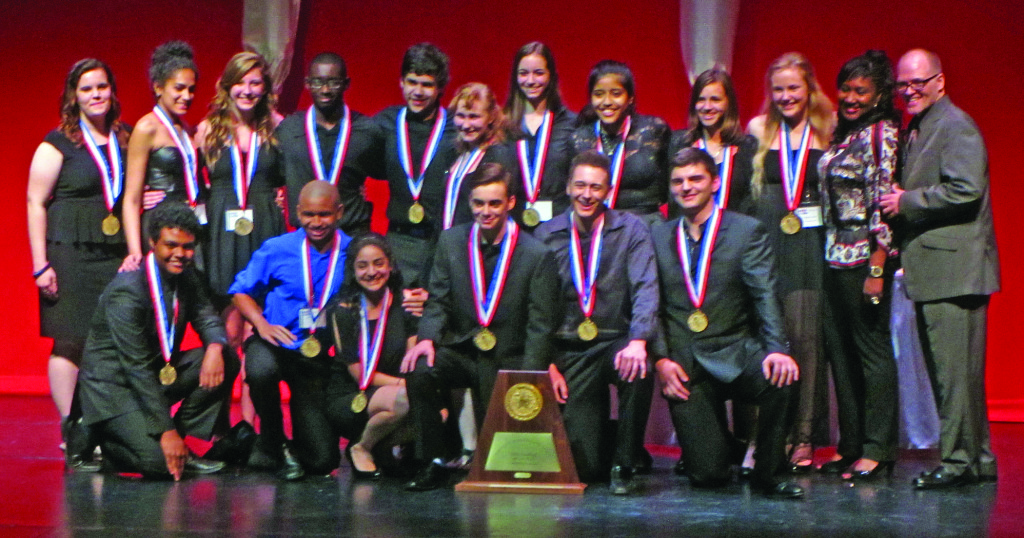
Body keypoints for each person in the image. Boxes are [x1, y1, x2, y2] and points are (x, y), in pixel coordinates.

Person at [652, 148, 802, 498]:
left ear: (714, 182)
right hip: (686, 366)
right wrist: (661, 360)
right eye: (678, 181)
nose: (686, 187)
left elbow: (765, 294)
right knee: (708, 475)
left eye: (695, 179)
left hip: (734, 350)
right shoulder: (658, 236)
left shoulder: (746, 231)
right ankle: (725, 448)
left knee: (782, 378)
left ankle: (769, 470)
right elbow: (651, 306)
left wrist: (777, 350)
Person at [880, 49, 1000, 489]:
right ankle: (978, 459)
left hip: (955, 271)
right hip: (942, 270)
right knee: (960, 376)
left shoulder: (955, 125)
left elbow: (965, 189)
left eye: (918, 82)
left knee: (953, 375)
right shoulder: (923, 128)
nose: (909, 91)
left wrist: (905, 201)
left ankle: (956, 462)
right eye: (902, 85)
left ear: (940, 82)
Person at [400, 163, 559, 491]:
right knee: (420, 368)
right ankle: (432, 460)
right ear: (469, 203)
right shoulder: (451, 241)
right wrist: (427, 338)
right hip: (463, 350)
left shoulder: (536, 254)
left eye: (494, 203)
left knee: (497, 465)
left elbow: (540, 324)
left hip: (508, 358)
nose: (485, 212)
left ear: (510, 203)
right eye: (478, 203)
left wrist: (529, 378)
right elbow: (438, 301)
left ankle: (491, 460)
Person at [78, 202, 240, 480]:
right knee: (158, 465)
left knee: (226, 358)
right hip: (116, 388)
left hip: (156, 374)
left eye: (188, 247)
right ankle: (101, 438)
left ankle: (179, 441)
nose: (180, 254)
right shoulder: (127, 292)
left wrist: (215, 346)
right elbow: (135, 368)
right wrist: (165, 432)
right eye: (171, 245)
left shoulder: (188, 276)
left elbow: (207, 318)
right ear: (152, 242)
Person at [26, 58, 131, 469]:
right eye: (87, 89)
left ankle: (102, 425)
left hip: (115, 253)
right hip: (69, 253)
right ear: (74, 95)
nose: (96, 95)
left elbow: (135, 191)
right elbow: (35, 202)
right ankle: (73, 427)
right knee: (69, 341)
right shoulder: (57, 144)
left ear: (112, 90)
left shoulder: (125, 139)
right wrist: (40, 264)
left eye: (102, 87)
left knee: (110, 343)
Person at [535, 150, 658, 494]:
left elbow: (646, 286)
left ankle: (626, 463)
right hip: (570, 350)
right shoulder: (547, 235)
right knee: (586, 469)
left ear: (609, 190)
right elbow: (538, 307)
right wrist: (547, 364)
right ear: (568, 187)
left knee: (638, 367)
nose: (587, 194)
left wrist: (639, 341)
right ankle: (609, 439)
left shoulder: (631, 229)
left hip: (615, 341)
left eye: (596, 187)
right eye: (580, 185)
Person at [229, 182, 352, 480]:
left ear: (339, 212)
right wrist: (261, 324)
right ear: (296, 213)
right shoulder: (277, 248)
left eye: (324, 215)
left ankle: (296, 446)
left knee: (322, 462)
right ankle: (272, 438)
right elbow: (240, 291)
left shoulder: (352, 250)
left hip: (315, 355)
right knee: (260, 370)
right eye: (308, 215)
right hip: (274, 342)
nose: (316, 223)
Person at [747, 52, 833, 473]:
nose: (786, 96)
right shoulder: (758, 130)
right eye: (778, 89)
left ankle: (802, 437)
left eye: (793, 88)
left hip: (808, 248)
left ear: (809, 89)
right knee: (768, 338)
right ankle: (766, 436)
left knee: (805, 343)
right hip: (767, 244)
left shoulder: (827, 130)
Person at [818, 50, 901, 479]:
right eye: (846, 88)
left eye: (860, 90)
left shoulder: (880, 134)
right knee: (840, 354)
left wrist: (877, 267)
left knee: (871, 353)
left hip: (863, 259)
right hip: (832, 258)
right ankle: (850, 444)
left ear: (879, 94)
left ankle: (878, 447)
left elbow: (883, 202)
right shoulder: (845, 133)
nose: (850, 97)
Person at [195, 51, 285, 349]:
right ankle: (222, 394)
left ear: (266, 87)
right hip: (223, 231)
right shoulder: (208, 130)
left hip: (264, 226)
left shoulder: (277, 127)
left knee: (257, 333)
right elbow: (190, 182)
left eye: (255, 83)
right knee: (230, 329)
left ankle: (253, 396)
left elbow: (293, 176)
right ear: (226, 85)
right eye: (240, 82)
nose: (247, 90)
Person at [327, 234, 416, 479]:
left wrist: (412, 384)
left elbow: (411, 358)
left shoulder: (405, 304)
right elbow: (357, 374)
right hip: (352, 395)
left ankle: (377, 445)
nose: (371, 272)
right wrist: (407, 386)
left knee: (438, 415)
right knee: (406, 399)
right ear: (353, 270)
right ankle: (361, 447)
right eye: (362, 266)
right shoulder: (343, 310)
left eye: (378, 263)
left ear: (390, 265)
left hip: (394, 392)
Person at [368, 43, 457, 287]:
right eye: (412, 82)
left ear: (440, 88)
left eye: (427, 84)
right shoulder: (385, 122)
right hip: (399, 241)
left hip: (443, 241)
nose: (417, 91)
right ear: (401, 82)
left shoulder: (456, 127)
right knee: (398, 316)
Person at [120, 41, 202, 272]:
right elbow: (132, 199)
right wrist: (135, 251)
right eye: (179, 88)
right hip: (161, 226)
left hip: (189, 224)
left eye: (191, 89)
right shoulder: (146, 128)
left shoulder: (185, 128)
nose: (186, 96)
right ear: (158, 88)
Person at [277, 52, 378, 236]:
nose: (325, 90)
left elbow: (387, 171)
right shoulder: (288, 130)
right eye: (317, 82)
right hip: (305, 237)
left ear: (346, 84)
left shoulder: (367, 129)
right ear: (307, 84)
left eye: (333, 82)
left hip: (352, 236)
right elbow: (273, 175)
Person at [571, 60, 670, 225]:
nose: (607, 101)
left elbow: (671, 186)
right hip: (598, 229)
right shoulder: (578, 139)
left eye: (616, 94)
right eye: (599, 94)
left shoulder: (654, 131)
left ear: (630, 97)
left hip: (647, 227)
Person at [503, 42, 578, 226]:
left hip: (560, 226)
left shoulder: (570, 123)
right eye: (523, 73)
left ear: (551, 75)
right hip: (514, 227)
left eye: (538, 73)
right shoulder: (502, 124)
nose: (530, 80)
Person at [669, 68, 758, 214]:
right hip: (689, 232)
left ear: (728, 103)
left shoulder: (747, 147)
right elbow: (673, 200)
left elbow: (750, 202)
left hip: (734, 233)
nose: (707, 107)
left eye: (715, 99)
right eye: (701, 100)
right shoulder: (678, 143)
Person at [441, 82, 522, 231]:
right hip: (450, 243)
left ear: (490, 117)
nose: (466, 125)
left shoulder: (498, 155)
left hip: (478, 245)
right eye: (460, 116)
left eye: (474, 117)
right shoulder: (455, 153)